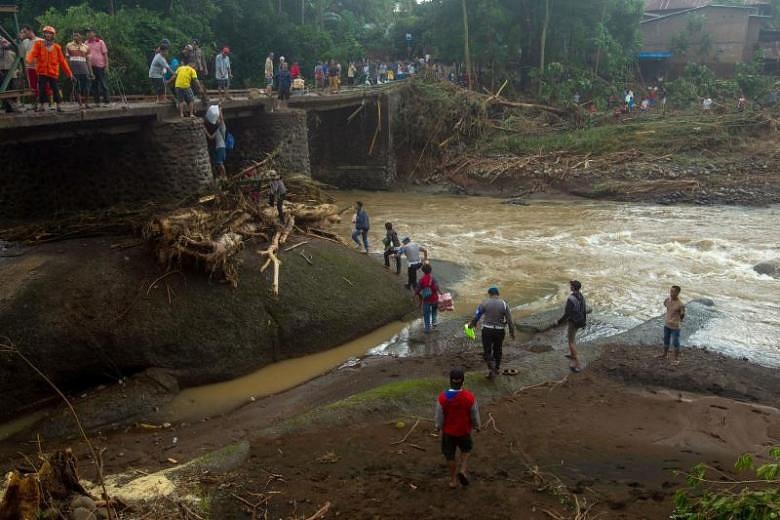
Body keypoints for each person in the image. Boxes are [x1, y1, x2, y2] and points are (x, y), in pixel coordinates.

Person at [435, 368, 481, 489]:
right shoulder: (469, 397)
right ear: (463, 382)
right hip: (464, 431)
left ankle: (453, 480)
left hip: (448, 432)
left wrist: (438, 427)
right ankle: (463, 469)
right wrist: (477, 426)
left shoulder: (442, 398)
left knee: (449, 455)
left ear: (450, 381)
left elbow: (439, 416)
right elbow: (474, 414)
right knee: (466, 449)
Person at [468, 287, 515, 379]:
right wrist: (512, 332)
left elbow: (477, 315)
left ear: (489, 294)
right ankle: (496, 368)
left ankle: (491, 368)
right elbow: (510, 320)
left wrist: (472, 324)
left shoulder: (484, 303)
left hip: (487, 330)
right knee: (498, 349)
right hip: (499, 330)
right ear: (498, 294)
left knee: (487, 350)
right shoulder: (504, 304)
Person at [26, 26, 72, 113]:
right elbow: (33, 53)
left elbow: (62, 61)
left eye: (49, 33)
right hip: (42, 71)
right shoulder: (39, 44)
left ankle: (58, 105)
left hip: (53, 72)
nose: (47, 34)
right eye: (46, 33)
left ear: (53, 35)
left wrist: (69, 74)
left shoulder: (57, 47)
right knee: (42, 89)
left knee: (55, 88)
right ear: (44, 34)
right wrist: (28, 60)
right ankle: (42, 105)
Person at [557, 280, 587, 373]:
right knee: (572, 339)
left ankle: (578, 364)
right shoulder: (581, 296)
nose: (570, 287)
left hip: (574, 322)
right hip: (581, 320)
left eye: (571, 286)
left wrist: (559, 321)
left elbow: (567, 314)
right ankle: (572, 354)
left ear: (573, 287)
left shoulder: (571, 299)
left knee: (571, 341)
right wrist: (584, 321)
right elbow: (584, 309)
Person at [20, 26, 51, 106]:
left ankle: (50, 103)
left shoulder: (40, 41)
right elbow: (23, 56)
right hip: (30, 67)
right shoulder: (24, 42)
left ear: (30, 31)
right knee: (32, 86)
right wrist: (24, 68)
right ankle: (36, 104)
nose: (23, 34)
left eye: (25, 32)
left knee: (45, 85)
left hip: (41, 67)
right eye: (22, 32)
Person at [660, 285, 686, 365]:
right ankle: (664, 355)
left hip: (675, 327)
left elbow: (682, 315)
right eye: (671, 291)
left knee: (675, 342)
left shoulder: (680, 304)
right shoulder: (667, 300)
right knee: (666, 340)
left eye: (673, 291)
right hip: (667, 325)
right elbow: (666, 306)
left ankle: (676, 359)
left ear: (678, 293)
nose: (671, 293)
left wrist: (678, 321)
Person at [65, 31, 91, 109]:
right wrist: (68, 70)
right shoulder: (69, 45)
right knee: (76, 87)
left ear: (80, 37)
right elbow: (66, 58)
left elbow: (88, 60)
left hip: (84, 69)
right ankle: (80, 104)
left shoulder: (86, 47)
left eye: (77, 35)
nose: (75, 36)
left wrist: (91, 72)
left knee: (86, 87)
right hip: (74, 69)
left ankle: (86, 103)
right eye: (74, 35)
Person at [86, 29, 110, 106]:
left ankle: (107, 101)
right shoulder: (86, 43)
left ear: (94, 33)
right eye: (87, 33)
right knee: (94, 85)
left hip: (100, 66)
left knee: (103, 84)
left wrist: (107, 66)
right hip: (91, 67)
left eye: (90, 32)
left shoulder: (100, 42)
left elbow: (105, 54)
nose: (89, 34)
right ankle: (97, 102)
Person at [205, 104, 227, 179]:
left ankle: (224, 177)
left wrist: (220, 110)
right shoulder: (217, 130)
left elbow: (221, 119)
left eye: (217, 120)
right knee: (218, 163)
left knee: (220, 163)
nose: (217, 120)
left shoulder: (222, 127)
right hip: (219, 147)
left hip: (221, 147)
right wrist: (204, 129)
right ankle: (221, 176)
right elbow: (211, 137)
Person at [416, 264, 440, 333]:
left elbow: (418, 289)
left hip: (426, 300)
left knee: (426, 314)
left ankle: (427, 328)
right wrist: (441, 293)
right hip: (435, 298)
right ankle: (434, 325)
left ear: (423, 271)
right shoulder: (434, 278)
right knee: (434, 312)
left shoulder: (421, 280)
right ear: (430, 270)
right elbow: (437, 288)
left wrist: (415, 295)